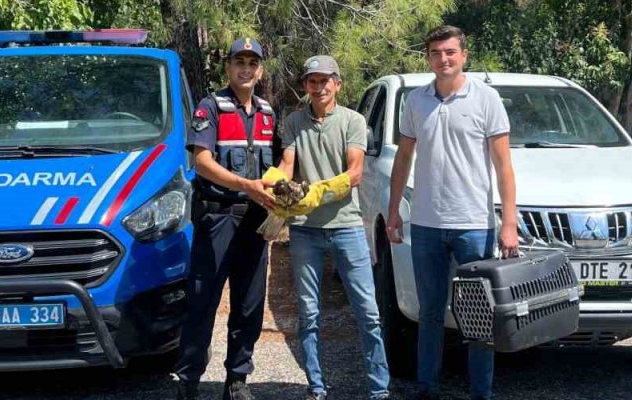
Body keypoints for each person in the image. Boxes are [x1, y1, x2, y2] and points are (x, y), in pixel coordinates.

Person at [385, 25, 519, 400]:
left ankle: (481, 392)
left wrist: (508, 223)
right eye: (435, 53)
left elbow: (504, 166)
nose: (443, 59)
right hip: (426, 225)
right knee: (429, 313)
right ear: (428, 58)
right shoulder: (416, 101)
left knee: (478, 315)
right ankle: (427, 388)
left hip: (474, 226)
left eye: (450, 52)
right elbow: (403, 158)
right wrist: (394, 211)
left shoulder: (486, 99)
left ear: (464, 55)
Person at [276, 55, 390, 400]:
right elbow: (286, 164)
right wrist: (273, 186)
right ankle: (316, 386)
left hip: (347, 226)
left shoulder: (353, 121)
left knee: (368, 312)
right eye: (312, 81)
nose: (319, 86)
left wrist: (313, 192)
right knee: (308, 312)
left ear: (337, 84)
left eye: (325, 80)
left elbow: (354, 173)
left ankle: (379, 389)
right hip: (304, 230)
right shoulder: (294, 122)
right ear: (305, 86)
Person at [173, 37, 279, 400]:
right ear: (228, 67)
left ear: (260, 70)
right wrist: (246, 185)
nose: (246, 69)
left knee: (249, 304)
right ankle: (188, 381)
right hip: (218, 218)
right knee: (203, 301)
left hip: (255, 220)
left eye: (252, 63)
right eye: (239, 62)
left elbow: (277, 167)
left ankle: (237, 380)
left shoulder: (267, 112)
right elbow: (201, 163)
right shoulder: (211, 107)